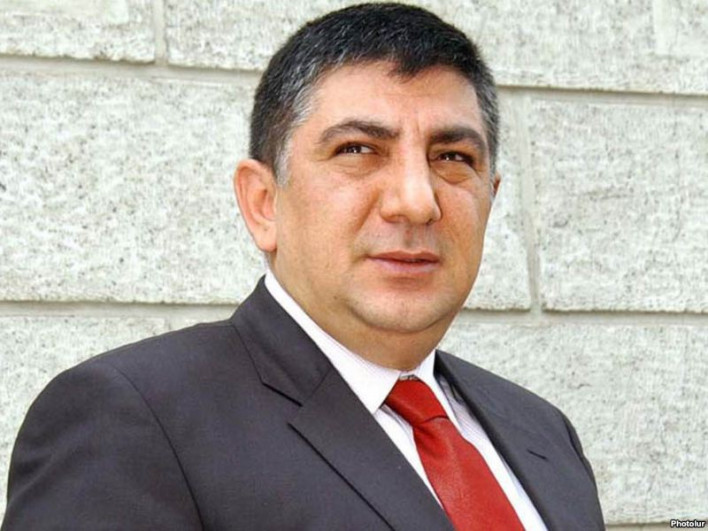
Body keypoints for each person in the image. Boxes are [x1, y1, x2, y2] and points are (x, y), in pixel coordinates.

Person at [2, 3, 604, 530]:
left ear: (489, 198)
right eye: (358, 150)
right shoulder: (133, 422)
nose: (417, 201)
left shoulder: (543, 433)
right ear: (263, 203)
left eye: (452, 157)